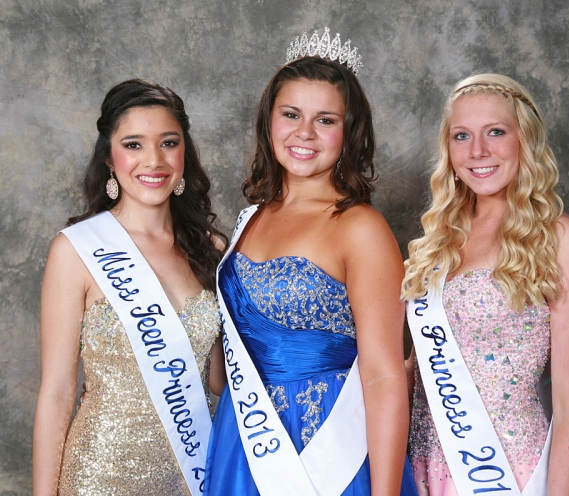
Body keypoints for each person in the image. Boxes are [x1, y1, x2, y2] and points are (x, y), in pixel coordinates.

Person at [204, 28, 418, 495]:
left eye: (325, 120)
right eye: (291, 114)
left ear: (349, 131)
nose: (304, 133)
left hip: (328, 447)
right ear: (268, 122)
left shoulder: (360, 227)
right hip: (244, 443)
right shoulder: (250, 220)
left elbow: (383, 376)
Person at [403, 73, 569, 496]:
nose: (478, 151)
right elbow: (417, 370)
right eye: (462, 136)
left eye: (495, 132)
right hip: (418, 466)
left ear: (524, 140)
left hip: (504, 470)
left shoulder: (561, 240)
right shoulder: (436, 241)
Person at [32, 79, 227, 495]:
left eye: (168, 143)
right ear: (109, 157)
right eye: (134, 144)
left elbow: (218, 381)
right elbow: (57, 393)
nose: (153, 160)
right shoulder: (77, 251)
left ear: (184, 154)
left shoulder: (213, 249)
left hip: (192, 473)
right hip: (100, 476)